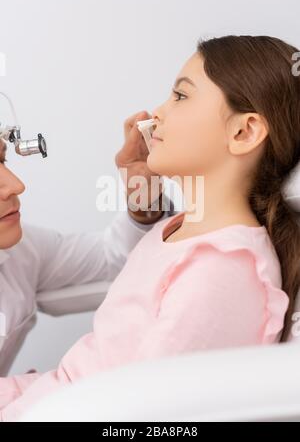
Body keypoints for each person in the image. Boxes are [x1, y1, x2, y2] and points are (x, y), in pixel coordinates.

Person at [2, 34, 299, 422]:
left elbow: (145, 417)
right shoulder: (181, 237)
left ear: (243, 133)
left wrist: (142, 196)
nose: (153, 114)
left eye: (180, 96)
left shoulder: (221, 267)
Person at [0, 110, 174, 377]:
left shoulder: (22, 251)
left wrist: (144, 201)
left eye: (3, 160)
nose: (16, 185)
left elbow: (115, 260)